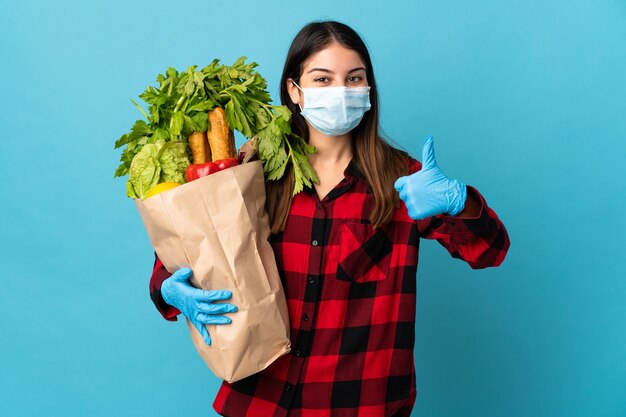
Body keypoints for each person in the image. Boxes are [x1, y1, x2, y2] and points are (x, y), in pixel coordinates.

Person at [149, 20, 510, 417]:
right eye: (323, 79)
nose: (341, 90)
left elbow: (489, 251)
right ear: (294, 90)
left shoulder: (404, 182)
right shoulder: (255, 174)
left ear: (369, 90)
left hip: (360, 404)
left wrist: (458, 202)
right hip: (259, 401)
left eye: (354, 78)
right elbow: (190, 250)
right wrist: (169, 289)